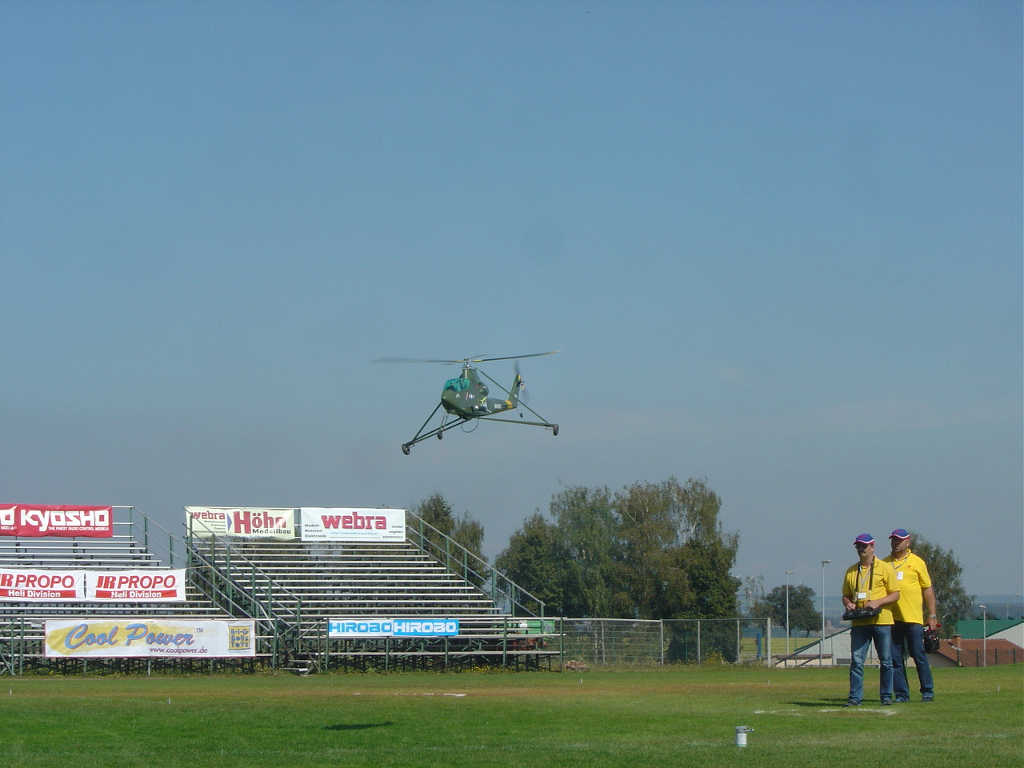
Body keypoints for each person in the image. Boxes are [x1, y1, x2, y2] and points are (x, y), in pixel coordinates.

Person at [841, 533, 901, 706]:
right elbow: (845, 595)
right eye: (858, 546)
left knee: (886, 661)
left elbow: (896, 594)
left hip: (881, 621)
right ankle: (855, 697)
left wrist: (877, 602)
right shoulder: (851, 571)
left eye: (864, 546)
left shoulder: (885, 568)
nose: (861, 549)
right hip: (860, 622)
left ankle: (886, 696)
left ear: (872, 547)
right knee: (857, 661)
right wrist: (848, 604)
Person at [884, 528, 937, 702]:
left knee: (918, 655)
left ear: (908, 542)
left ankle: (927, 691)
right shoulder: (884, 564)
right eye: (893, 540)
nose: (896, 543)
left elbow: (927, 589)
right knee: (895, 658)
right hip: (892, 619)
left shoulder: (917, 562)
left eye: (899, 540)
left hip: (913, 618)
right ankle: (901, 694)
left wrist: (932, 615)